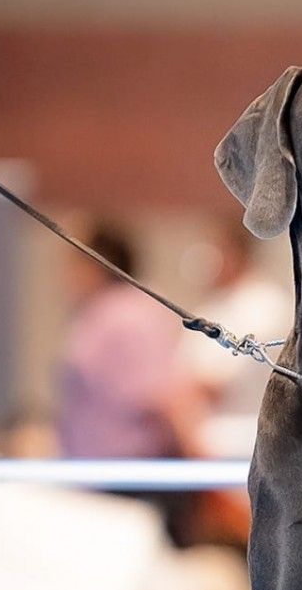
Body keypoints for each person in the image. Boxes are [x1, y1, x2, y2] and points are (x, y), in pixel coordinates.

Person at [56, 221, 207, 543]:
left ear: (95, 263)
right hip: (102, 478)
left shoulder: (129, 315)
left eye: (73, 263)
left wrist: (201, 470)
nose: (65, 276)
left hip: (134, 480)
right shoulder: (99, 314)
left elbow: (165, 396)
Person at [183, 216, 293, 437]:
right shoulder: (212, 305)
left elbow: (217, 383)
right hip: (205, 429)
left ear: (234, 253)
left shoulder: (265, 302)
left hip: (247, 431)